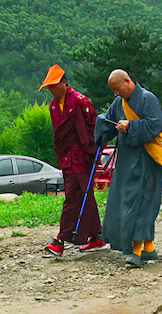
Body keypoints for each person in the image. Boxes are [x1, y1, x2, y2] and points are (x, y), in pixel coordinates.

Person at [95, 69, 162, 268]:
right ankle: (148, 249)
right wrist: (100, 124)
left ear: (127, 81)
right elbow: (108, 120)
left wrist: (130, 126)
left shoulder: (148, 99)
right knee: (123, 200)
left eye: (117, 88)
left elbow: (156, 125)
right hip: (125, 162)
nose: (117, 93)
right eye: (113, 90)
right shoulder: (119, 103)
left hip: (146, 161)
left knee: (142, 203)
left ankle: (136, 251)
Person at [38, 64, 105, 257]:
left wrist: (94, 153)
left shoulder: (80, 101)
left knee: (73, 198)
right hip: (66, 158)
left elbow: (95, 128)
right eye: (48, 87)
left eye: (53, 86)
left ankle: (60, 240)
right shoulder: (52, 106)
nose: (50, 90)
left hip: (82, 157)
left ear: (64, 83)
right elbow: (58, 135)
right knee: (85, 195)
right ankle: (97, 237)